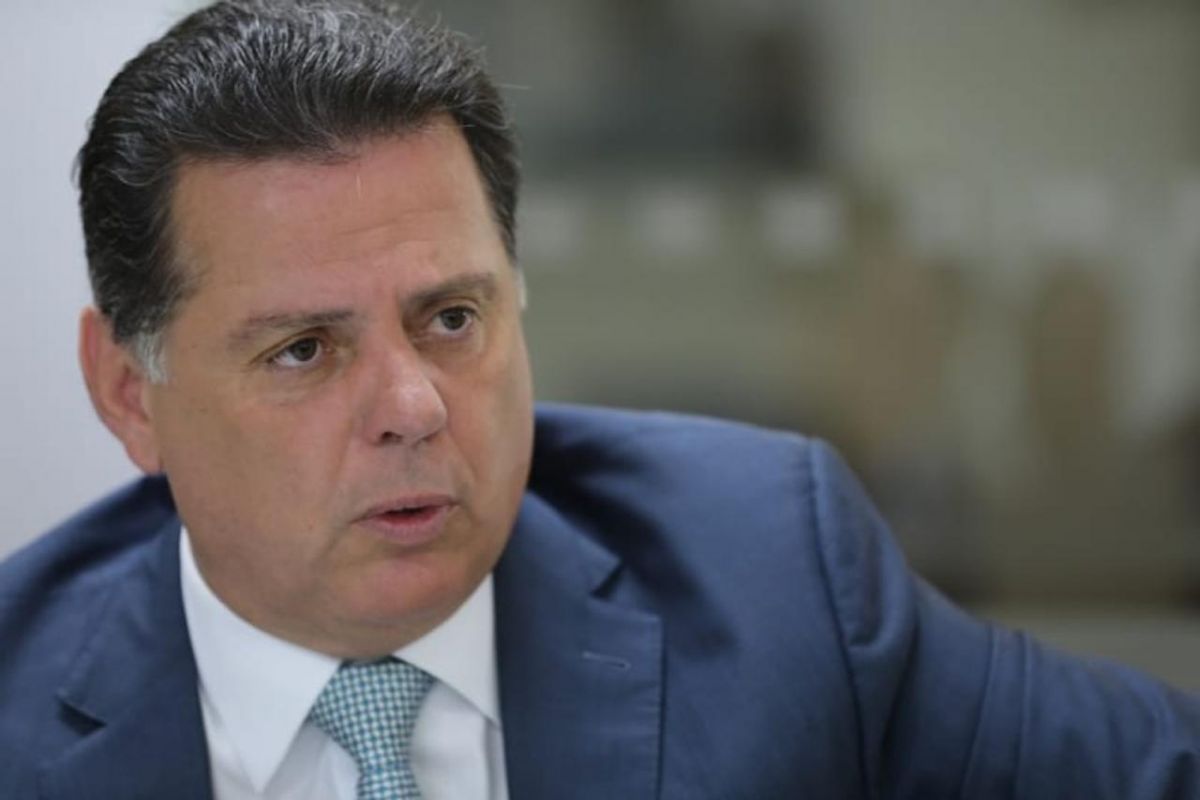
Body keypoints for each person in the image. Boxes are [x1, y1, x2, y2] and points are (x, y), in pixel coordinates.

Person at [0, 1, 1198, 798]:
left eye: (451, 318)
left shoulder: (774, 574)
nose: (413, 405)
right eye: (305, 349)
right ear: (130, 392)